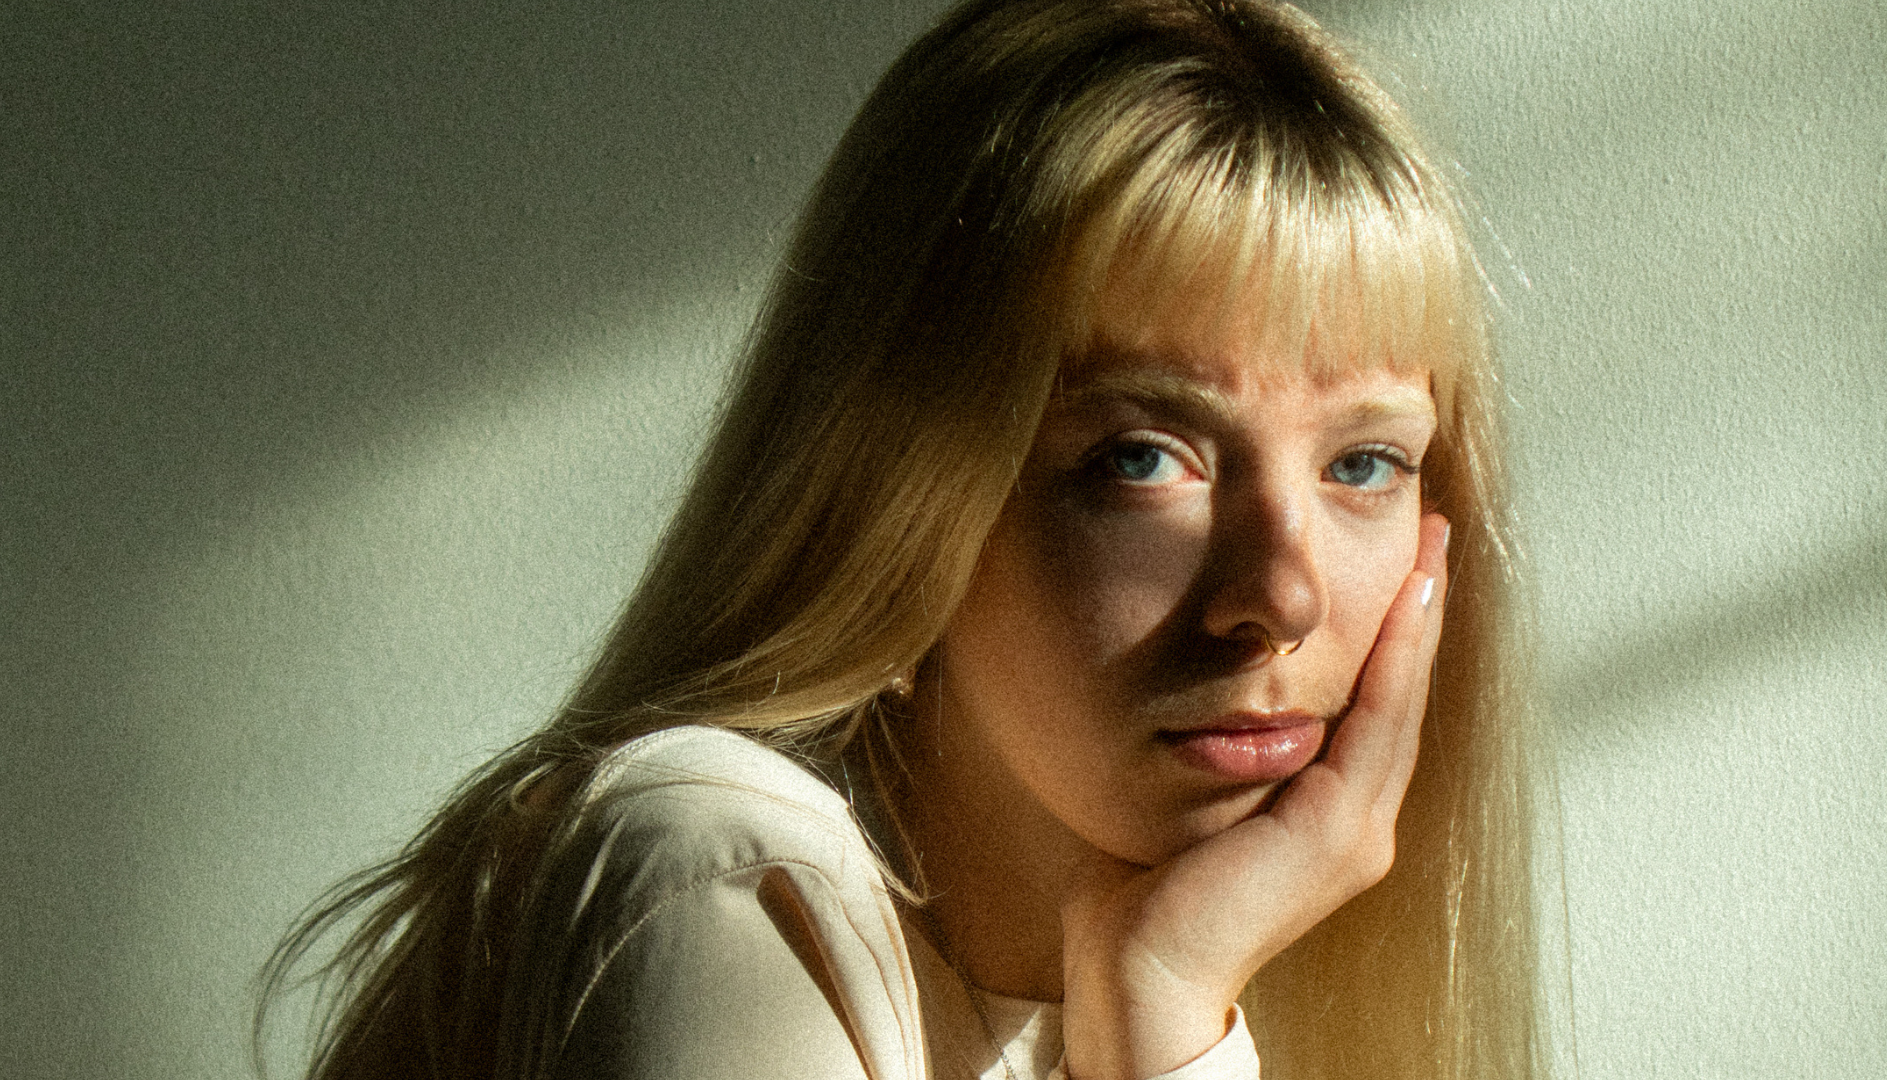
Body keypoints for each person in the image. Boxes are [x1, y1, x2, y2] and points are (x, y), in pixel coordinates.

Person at [262, 0, 1550, 1077]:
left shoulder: (1173, 974)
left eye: (1365, 463)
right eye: (1141, 456)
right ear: (906, 497)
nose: (1280, 595)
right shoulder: (726, 876)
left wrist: (1165, 1001)